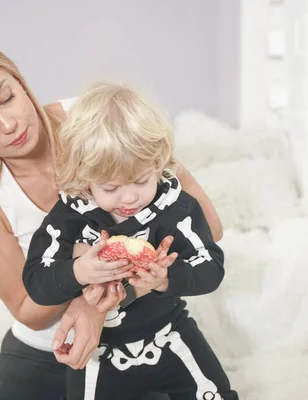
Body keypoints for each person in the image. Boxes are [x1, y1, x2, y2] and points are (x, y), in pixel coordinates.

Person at [0, 37, 224, 400]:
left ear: (20, 81)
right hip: (49, 346)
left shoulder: (96, 119)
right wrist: (86, 280)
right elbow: (28, 310)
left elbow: (207, 224)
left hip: (143, 330)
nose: (8, 124)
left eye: (7, 97)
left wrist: (99, 302)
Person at [22, 83, 238, 400]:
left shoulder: (178, 208)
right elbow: (36, 280)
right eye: (110, 188)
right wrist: (81, 270)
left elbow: (211, 267)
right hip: (101, 349)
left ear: (158, 164)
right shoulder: (68, 215)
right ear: (84, 177)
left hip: (170, 333)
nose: (129, 197)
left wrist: (166, 278)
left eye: (141, 180)